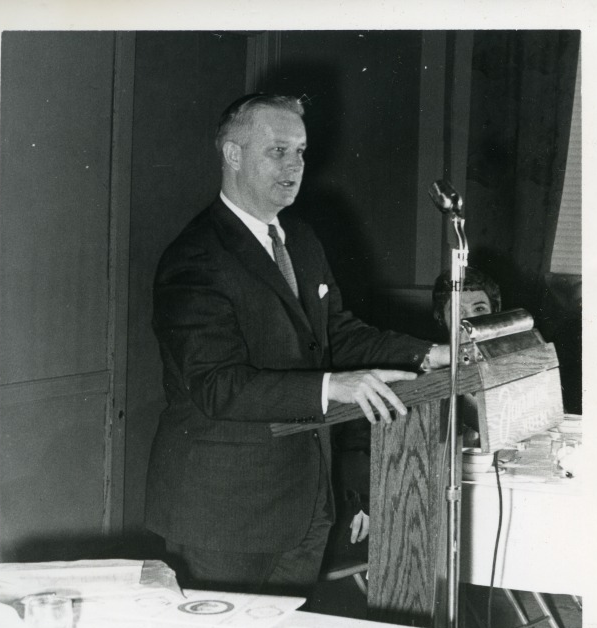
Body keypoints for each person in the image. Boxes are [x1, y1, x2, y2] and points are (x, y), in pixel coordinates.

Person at [144, 93, 449, 596]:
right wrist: (334, 385)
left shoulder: (301, 240)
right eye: (278, 151)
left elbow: (338, 334)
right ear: (233, 155)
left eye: (301, 152)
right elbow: (217, 386)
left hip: (305, 502)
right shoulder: (195, 257)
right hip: (225, 512)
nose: (294, 166)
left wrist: (425, 354)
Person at [324, 267, 501, 563]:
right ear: (441, 318)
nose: (469, 320)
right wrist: (365, 502)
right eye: (457, 310)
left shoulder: (503, 358)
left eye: (479, 308)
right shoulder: (416, 368)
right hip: (404, 497)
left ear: (496, 312)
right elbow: (357, 438)